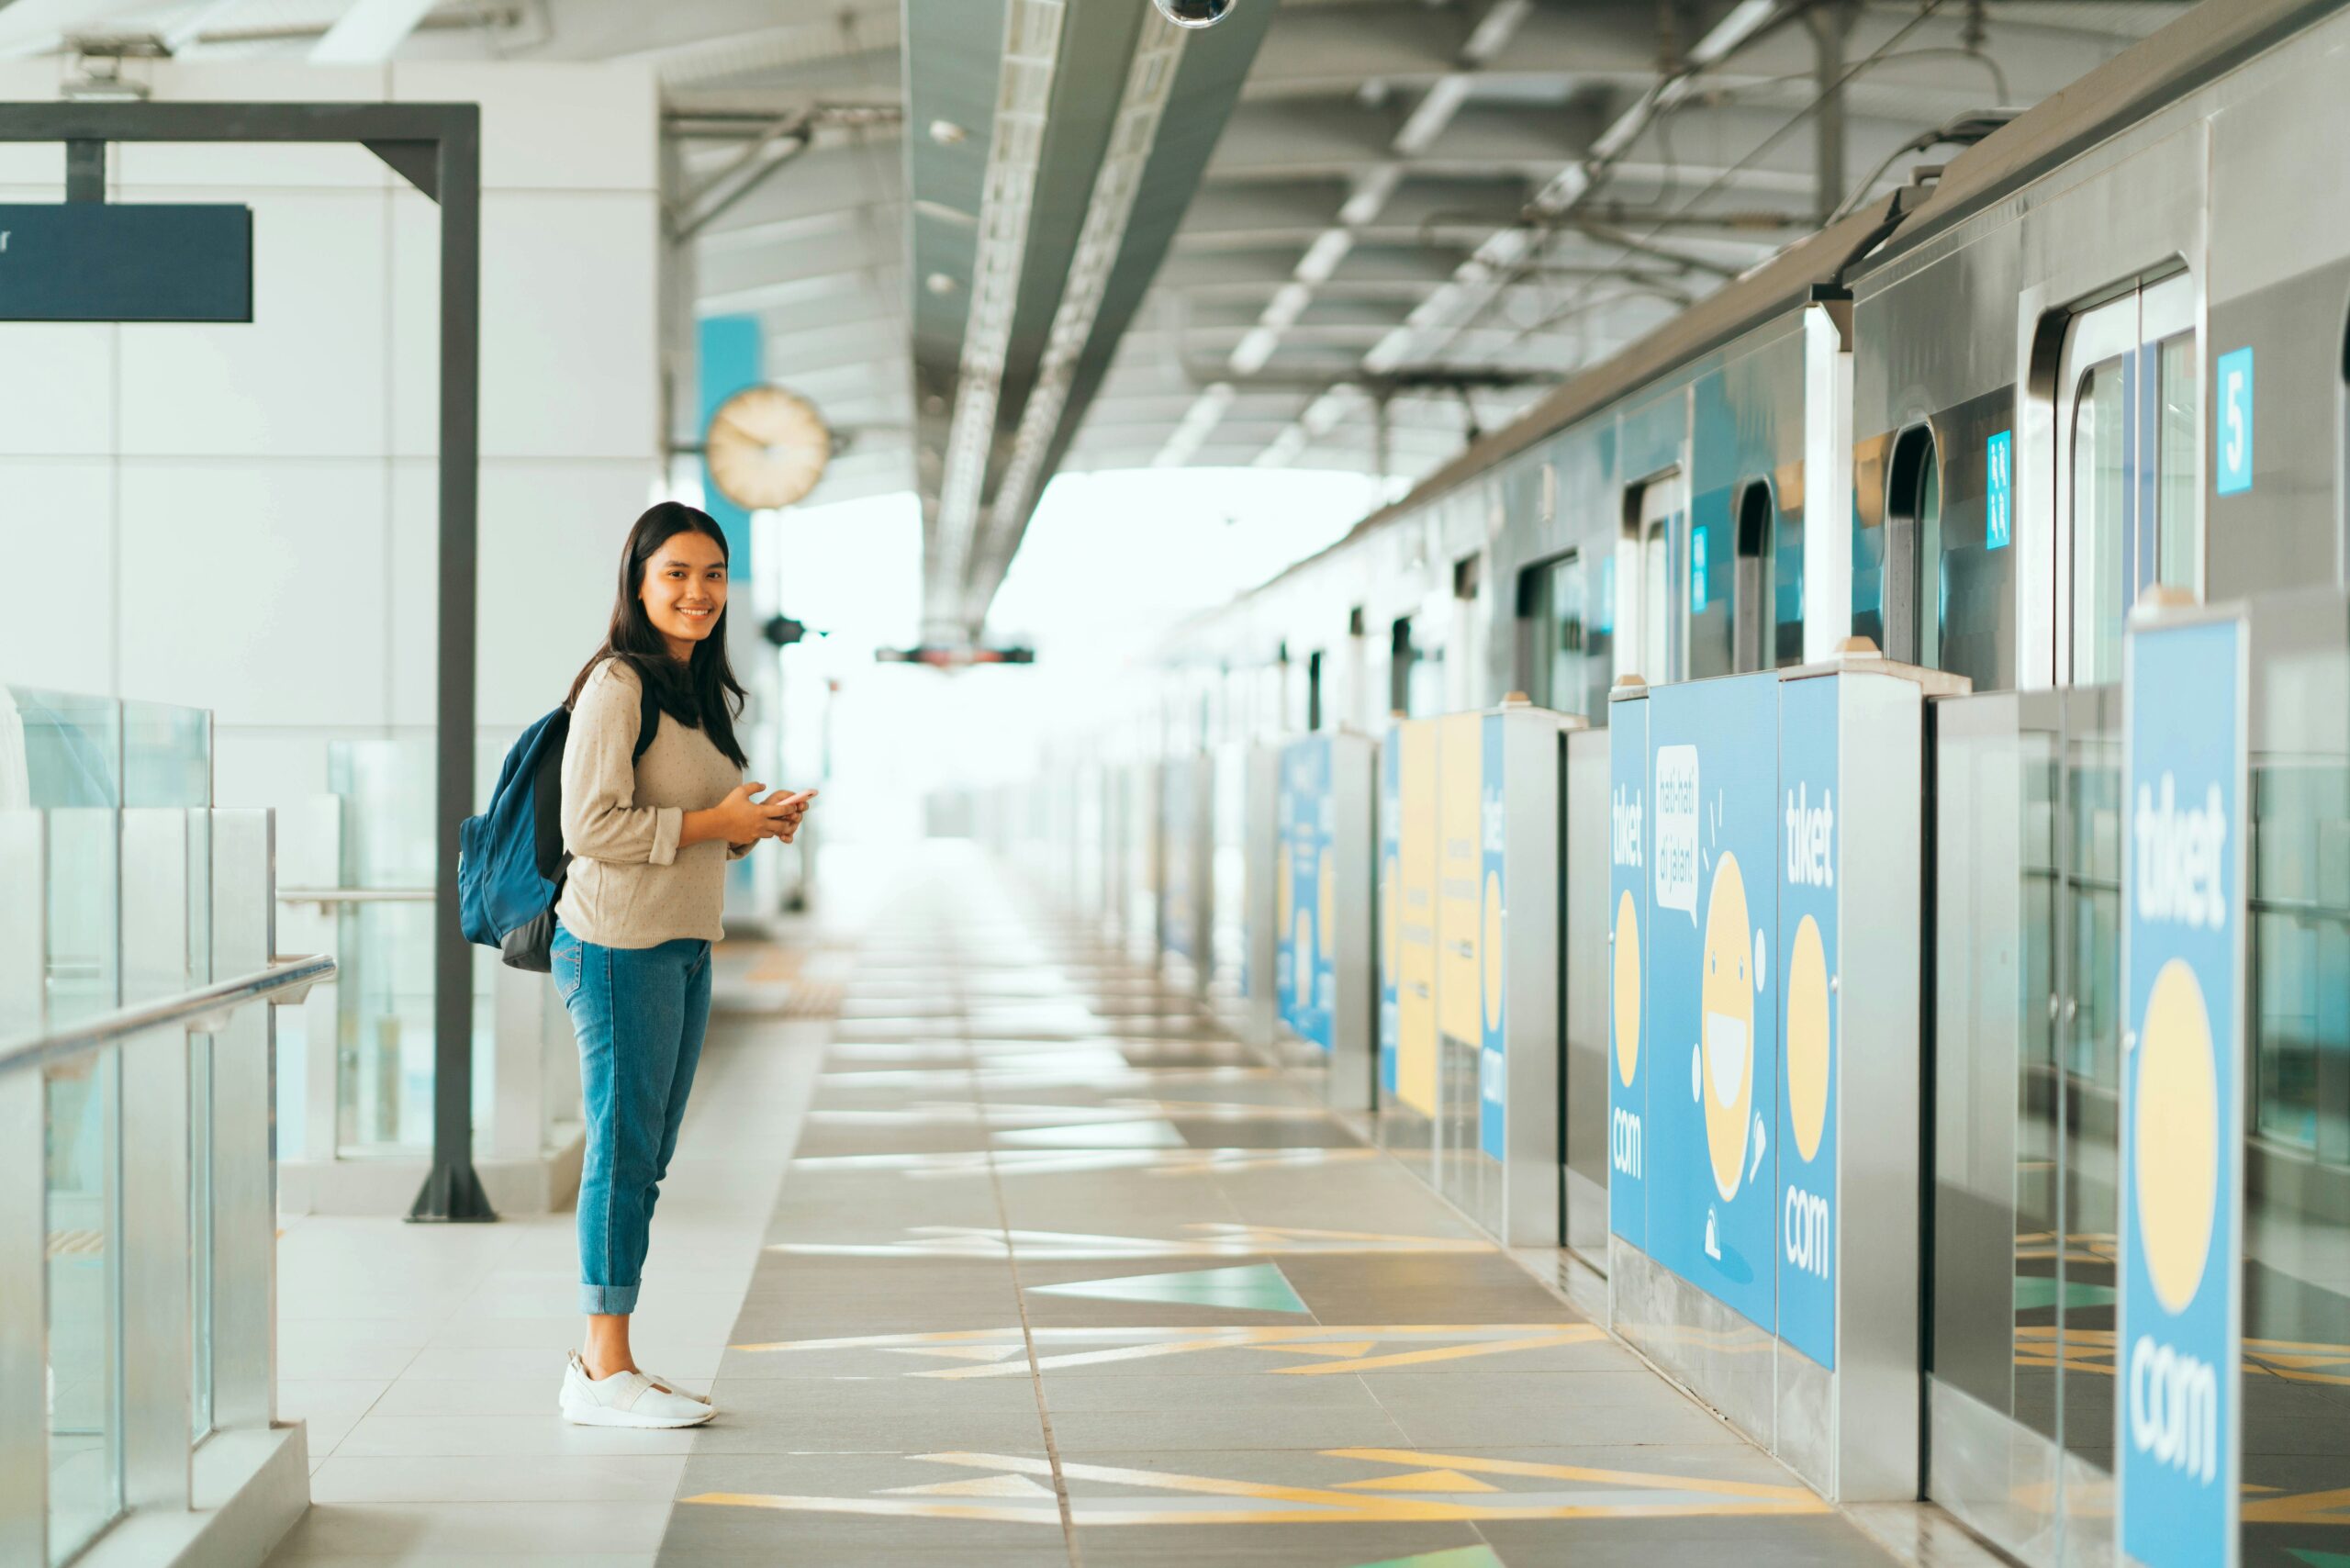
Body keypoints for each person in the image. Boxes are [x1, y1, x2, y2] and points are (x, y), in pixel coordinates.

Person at [551, 501, 811, 1429]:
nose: (697, 592)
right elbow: (590, 828)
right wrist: (717, 824)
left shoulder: (697, 692)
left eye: (712, 575)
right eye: (676, 574)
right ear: (638, 582)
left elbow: (690, 834)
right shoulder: (618, 684)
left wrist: (751, 825)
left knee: (646, 1157)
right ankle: (600, 1367)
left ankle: (603, 1359)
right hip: (618, 948)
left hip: (681, 944)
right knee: (622, 1154)